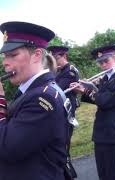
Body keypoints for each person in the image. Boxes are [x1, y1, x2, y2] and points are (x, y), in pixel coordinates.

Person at [0, 21, 68, 180]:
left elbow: (7, 147)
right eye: (5, 56)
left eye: (12, 55)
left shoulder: (43, 98)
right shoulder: (31, 90)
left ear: (37, 55)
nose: (5, 62)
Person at [70, 44, 115, 180]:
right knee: (103, 172)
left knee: (113, 174)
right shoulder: (105, 79)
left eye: (106, 61)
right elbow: (97, 100)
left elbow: (103, 101)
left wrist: (87, 90)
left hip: (113, 133)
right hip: (101, 131)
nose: (103, 65)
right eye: (100, 62)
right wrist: (82, 90)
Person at [47, 45, 80, 178]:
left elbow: (56, 89)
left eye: (56, 57)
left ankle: (68, 175)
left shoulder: (70, 71)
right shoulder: (58, 71)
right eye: (53, 58)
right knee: (59, 146)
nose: (54, 61)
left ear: (64, 56)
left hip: (67, 113)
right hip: (58, 113)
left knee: (63, 147)